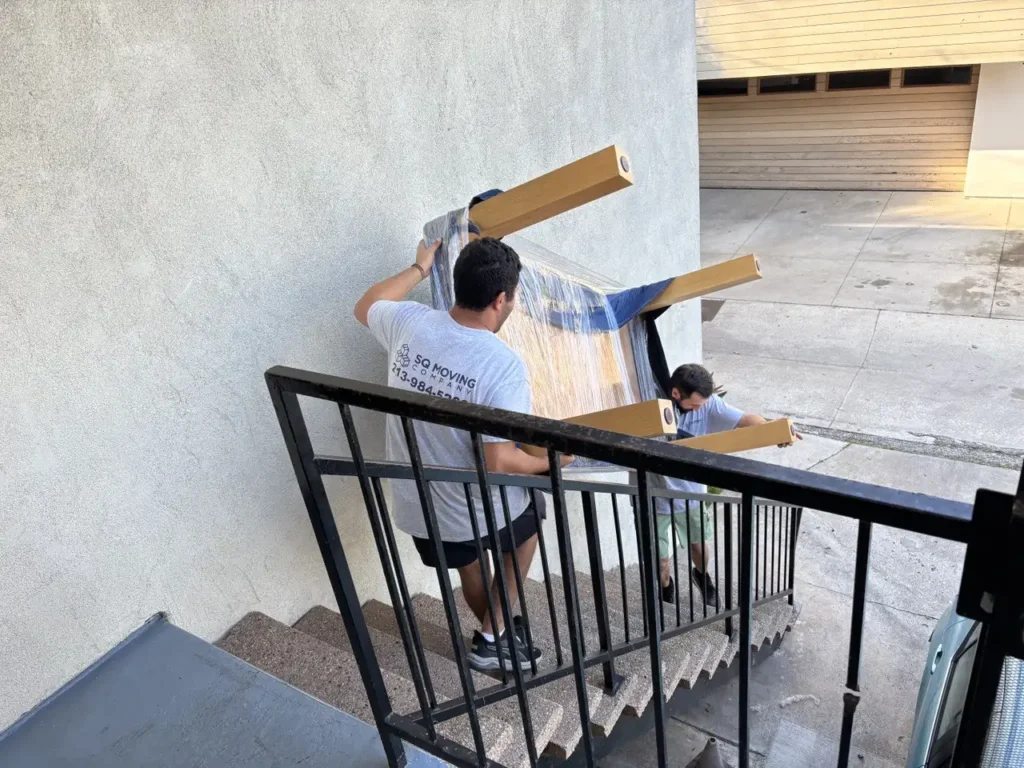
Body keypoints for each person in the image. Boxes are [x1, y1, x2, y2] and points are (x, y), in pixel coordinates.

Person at [354, 235, 569, 672]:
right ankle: (493, 636)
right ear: (500, 298)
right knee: (531, 516)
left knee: (468, 563)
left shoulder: (410, 324)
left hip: (419, 507)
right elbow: (499, 462)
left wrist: (418, 269)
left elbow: (367, 304)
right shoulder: (502, 365)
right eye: (512, 298)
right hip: (470, 505)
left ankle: (497, 634)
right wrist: (551, 462)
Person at [655, 363, 799, 608]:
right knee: (660, 562)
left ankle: (702, 576)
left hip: (690, 493)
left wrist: (773, 431)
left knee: (700, 548)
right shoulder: (651, 404)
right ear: (676, 394)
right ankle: (666, 589)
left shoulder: (709, 403)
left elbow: (744, 419)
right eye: (696, 404)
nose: (701, 408)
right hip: (653, 494)